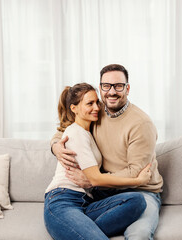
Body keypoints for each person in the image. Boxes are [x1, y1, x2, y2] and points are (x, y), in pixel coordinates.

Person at [51, 64, 164, 240]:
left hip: (141, 189)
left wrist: (92, 181)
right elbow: (66, 130)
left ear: (127, 88)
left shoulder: (141, 124)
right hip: (103, 192)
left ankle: (76, 229)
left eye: (118, 86)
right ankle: (77, 229)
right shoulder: (96, 111)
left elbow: (136, 173)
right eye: (106, 86)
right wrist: (55, 146)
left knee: (139, 235)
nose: (112, 92)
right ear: (101, 87)